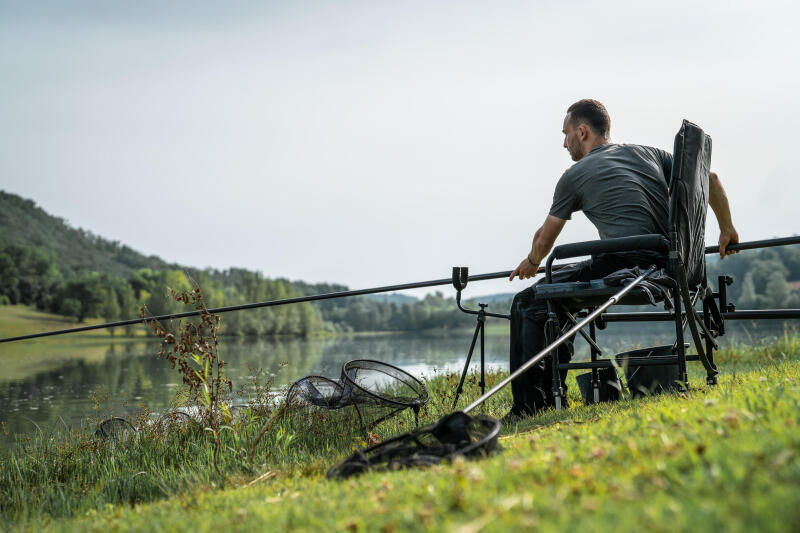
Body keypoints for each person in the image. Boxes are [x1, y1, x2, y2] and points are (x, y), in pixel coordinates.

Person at [504, 99, 739, 421]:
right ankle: (549, 394)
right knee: (556, 292)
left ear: (582, 131)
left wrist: (532, 261)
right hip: (670, 263)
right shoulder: (650, 154)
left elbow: (545, 240)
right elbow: (709, 179)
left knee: (529, 301)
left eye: (566, 133)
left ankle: (530, 407)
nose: (564, 142)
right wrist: (727, 229)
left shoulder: (574, 175)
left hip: (627, 263)